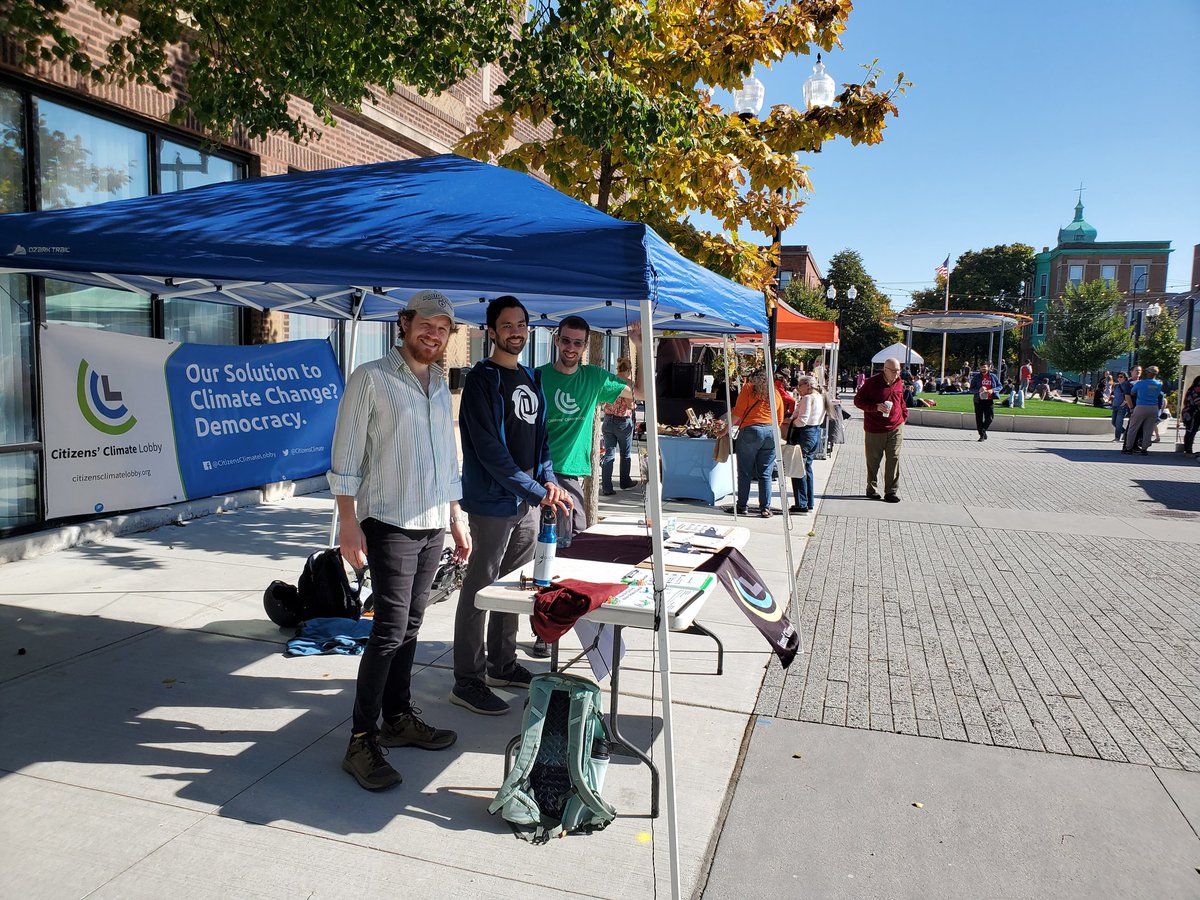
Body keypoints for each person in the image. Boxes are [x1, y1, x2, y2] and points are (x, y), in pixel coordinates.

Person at [329, 289, 472, 791]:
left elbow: (445, 458)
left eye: (443, 329)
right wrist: (347, 521)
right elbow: (345, 454)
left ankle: (398, 717)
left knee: (412, 623)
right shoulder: (370, 377)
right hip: (387, 520)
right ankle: (360, 739)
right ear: (405, 323)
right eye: (426, 325)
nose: (434, 334)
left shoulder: (439, 383)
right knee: (389, 627)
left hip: (433, 521)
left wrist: (456, 517)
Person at [453, 295, 573, 715]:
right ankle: (467, 677)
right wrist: (535, 490)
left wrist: (550, 482)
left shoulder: (529, 377)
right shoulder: (482, 379)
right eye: (507, 325)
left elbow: (540, 443)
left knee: (513, 587)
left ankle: (502, 664)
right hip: (493, 501)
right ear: (491, 331)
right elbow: (489, 450)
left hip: (527, 501)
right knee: (480, 588)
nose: (516, 331)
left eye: (521, 324)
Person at [539, 315, 643, 547]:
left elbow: (641, 392)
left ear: (586, 345)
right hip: (538, 472)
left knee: (572, 536)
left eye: (578, 343)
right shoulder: (537, 377)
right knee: (550, 540)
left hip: (569, 473)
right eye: (566, 341)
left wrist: (641, 347)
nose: (571, 348)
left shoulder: (593, 377)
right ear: (557, 341)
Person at [730, 369, 786, 517]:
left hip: (751, 431)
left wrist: (724, 430)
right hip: (771, 432)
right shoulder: (774, 393)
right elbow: (779, 418)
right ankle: (765, 508)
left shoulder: (748, 388)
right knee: (766, 473)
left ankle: (742, 505)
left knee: (745, 472)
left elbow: (738, 412)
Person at [853, 357, 907, 502]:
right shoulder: (872, 383)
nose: (897, 374)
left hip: (896, 426)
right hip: (875, 428)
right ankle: (871, 489)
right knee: (873, 460)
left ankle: (891, 492)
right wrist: (875, 407)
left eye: (898, 370)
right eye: (894, 371)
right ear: (885, 369)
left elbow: (900, 400)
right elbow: (858, 401)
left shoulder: (899, 382)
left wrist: (904, 415)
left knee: (894, 458)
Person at [786, 375, 825, 514]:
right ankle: (808, 502)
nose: (797, 388)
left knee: (799, 467)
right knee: (807, 467)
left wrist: (789, 423)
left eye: (800, 385)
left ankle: (801, 503)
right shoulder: (820, 397)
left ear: (807, 385)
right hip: (815, 432)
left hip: (805, 432)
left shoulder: (808, 398)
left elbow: (802, 420)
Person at [599, 357, 637, 496]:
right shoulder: (627, 383)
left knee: (609, 454)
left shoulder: (610, 380)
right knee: (625, 453)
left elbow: (603, 401)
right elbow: (630, 404)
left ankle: (607, 487)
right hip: (622, 422)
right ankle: (624, 481)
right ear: (629, 370)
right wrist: (635, 405)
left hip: (608, 420)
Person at [1122, 365, 1163, 456]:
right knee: (1148, 429)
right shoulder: (1159, 384)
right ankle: (1144, 449)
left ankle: (1128, 448)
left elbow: (1132, 392)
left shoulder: (1140, 383)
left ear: (1148, 373)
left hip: (1141, 406)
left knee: (1133, 428)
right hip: (1153, 407)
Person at [970, 362, 1001, 441]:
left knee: (990, 418)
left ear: (988, 368)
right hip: (978, 400)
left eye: (984, 367)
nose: (983, 369)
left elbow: (1000, 386)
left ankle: (983, 431)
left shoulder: (993, 377)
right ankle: (982, 435)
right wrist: (978, 390)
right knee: (979, 418)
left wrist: (992, 390)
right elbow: (971, 389)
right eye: (981, 367)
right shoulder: (977, 377)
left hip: (989, 400)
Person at [1112, 367, 1139, 442]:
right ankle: (1125, 432)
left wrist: (1124, 403)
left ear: (1125, 378)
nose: (1119, 378)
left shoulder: (1126, 385)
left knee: (1119, 423)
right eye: (1118, 377)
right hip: (1115, 406)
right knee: (1113, 422)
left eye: (1121, 377)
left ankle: (1117, 438)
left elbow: (1128, 395)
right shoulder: (1116, 385)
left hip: (1122, 407)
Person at [1181, 375, 1200, 456]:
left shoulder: (1191, 389)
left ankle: (1188, 449)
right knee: (1191, 430)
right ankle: (1188, 450)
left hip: (1189, 412)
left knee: (1190, 430)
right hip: (1193, 413)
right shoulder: (1196, 390)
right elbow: (1198, 402)